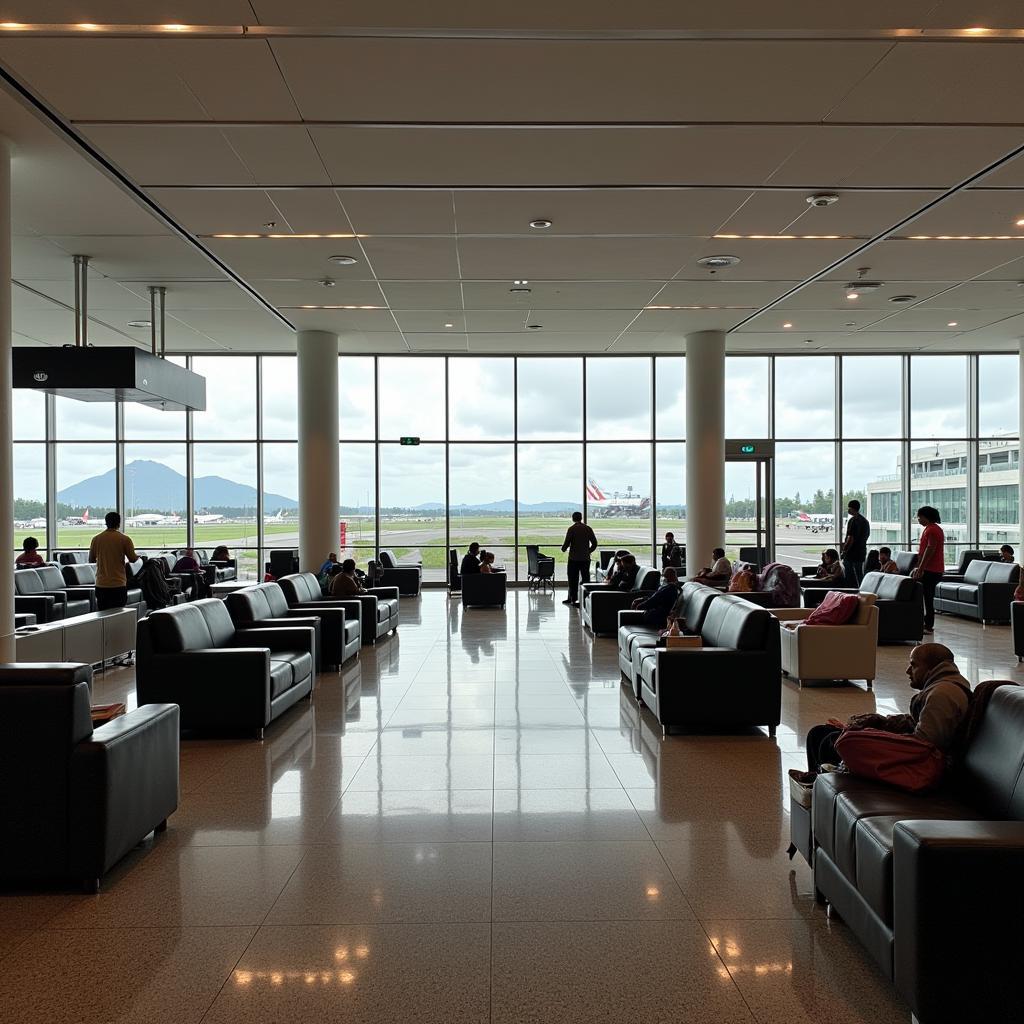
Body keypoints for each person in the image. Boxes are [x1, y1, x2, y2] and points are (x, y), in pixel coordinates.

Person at [797, 643, 971, 777]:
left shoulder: (942, 695)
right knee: (819, 733)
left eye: (914, 665)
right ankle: (820, 786)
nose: (908, 670)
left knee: (833, 741)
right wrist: (881, 722)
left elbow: (922, 746)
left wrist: (872, 735)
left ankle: (825, 786)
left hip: (923, 767)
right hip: (916, 754)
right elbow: (919, 723)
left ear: (931, 668)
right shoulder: (943, 687)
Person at [88, 511, 143, 610]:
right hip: (118, 584)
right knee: (118, 614)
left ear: (106, 523)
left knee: (103, 615)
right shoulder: (125, 539)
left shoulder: (96, 539)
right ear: (119, 523)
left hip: (101, 584)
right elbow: (133, 559)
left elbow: (91, 559)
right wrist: (139, 557)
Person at [913, 506, 945, 634]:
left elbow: (930, 549)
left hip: (931, 569)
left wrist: (920, 568)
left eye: (919, 517)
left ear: (926, 517)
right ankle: (926, 623)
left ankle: (927, 624)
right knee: (927, 596)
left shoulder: (931, 530)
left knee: (927, 597)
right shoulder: (934, 529)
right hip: (933, 569)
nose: (918, 519)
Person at [561, 511, 598, 606]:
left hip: (573, 558)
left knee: (572, 579)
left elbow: (567, 543)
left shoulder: (572, 529)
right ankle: (585, 599)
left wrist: (563, 549)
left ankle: (573, 599)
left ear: (573, 518)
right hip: (585, 559)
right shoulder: (588, 528)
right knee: (585, 578)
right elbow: (594, 543)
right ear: (581, 518)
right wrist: (588, 551)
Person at [841, 499, 870, 586]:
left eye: (849, 508)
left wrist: (844, 550)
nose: (848, 510)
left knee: (849, 574)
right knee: (859, 573)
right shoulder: (865, 521)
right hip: (861, 552)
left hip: (851, 553)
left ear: (852, 508)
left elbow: (850, 538)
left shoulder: (853, 521)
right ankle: (861, 590)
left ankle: (850, 590)